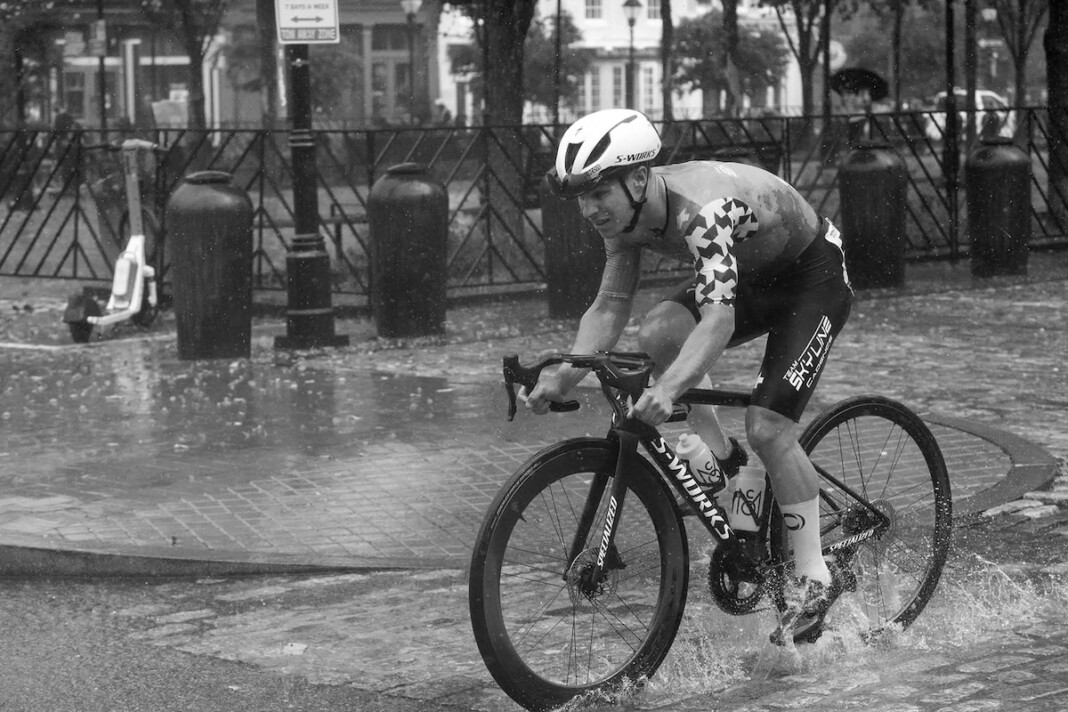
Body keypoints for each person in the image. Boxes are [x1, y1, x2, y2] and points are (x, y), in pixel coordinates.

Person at [522, 108, 854, 646]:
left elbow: (718, 321)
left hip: (810, 278)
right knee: (658, 332)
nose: (588, 209)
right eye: (581, 197)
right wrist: (565, 375)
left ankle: (815, 578)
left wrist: (668, 389)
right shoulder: (625, 221)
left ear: (637, 180)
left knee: (769, 428)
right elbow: (610, 305)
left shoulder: (702, 211)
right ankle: (724, 460)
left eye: (598, 193)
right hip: (750, 275)